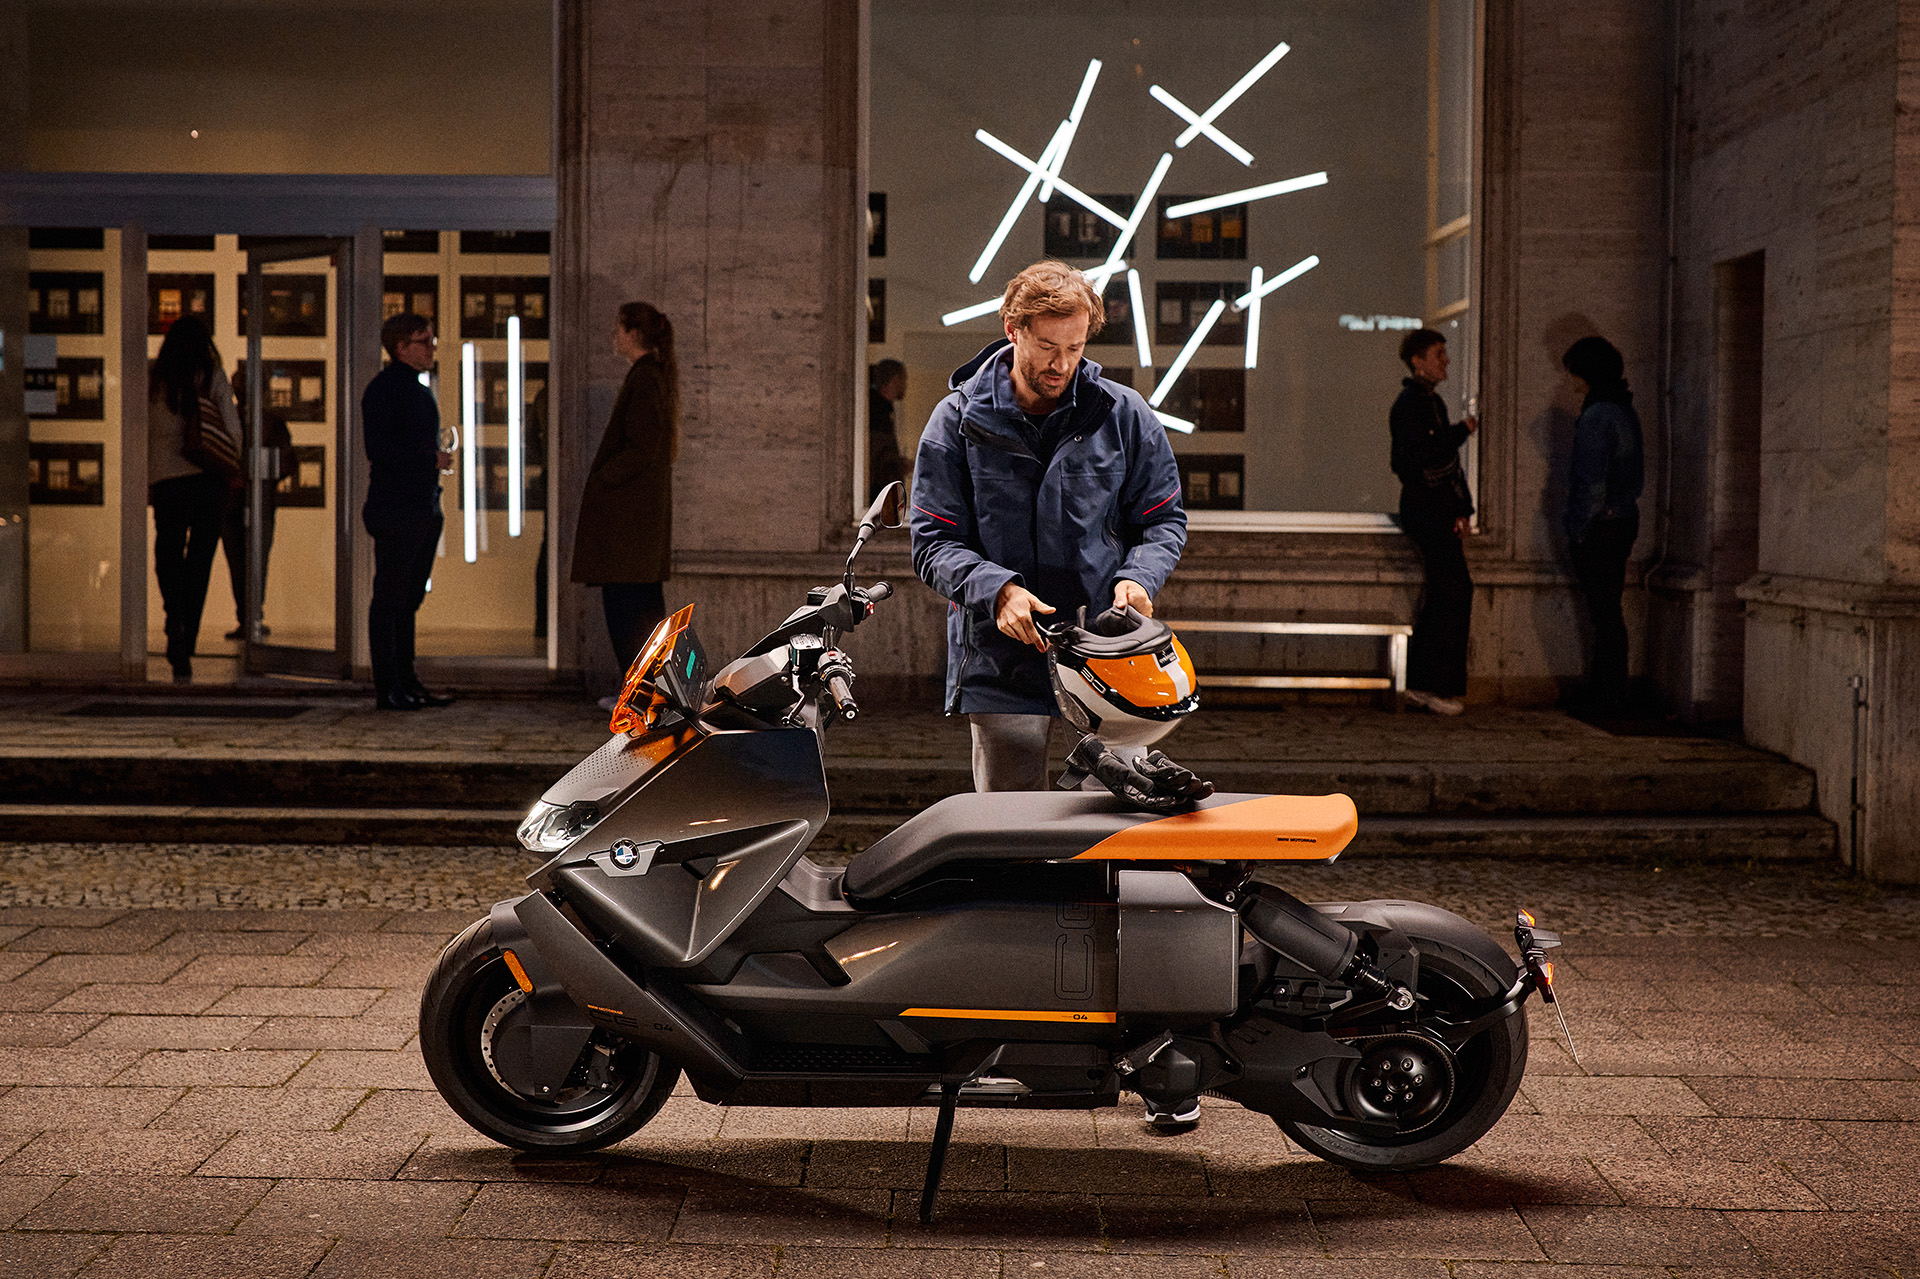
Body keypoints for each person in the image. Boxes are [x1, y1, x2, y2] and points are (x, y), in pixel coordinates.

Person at [910, 260, 1186, 792]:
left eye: (1075, 348)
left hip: (1106, 647)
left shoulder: (1123, 415)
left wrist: (1139, 578)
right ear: (1012, 331)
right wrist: (997, 590)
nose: (1062, 364)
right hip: (1000, 657)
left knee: (1110, 823)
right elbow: (932, 542)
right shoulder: (956, 422)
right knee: (1011, 830)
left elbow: (1163, 520)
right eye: (1047, 347)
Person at [571, 301, 678, 703]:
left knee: (628, 608)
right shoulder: (651, 376)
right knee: (640, 606)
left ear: (634, 333)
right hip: (635, 522)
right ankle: (646, 691)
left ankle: (638, 694)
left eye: (618, 328)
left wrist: (603, 478)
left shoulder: (646, 378)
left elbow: (642, 447)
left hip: (628, 522)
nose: (613, 336)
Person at [363, 313, 455, 711]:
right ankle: (390, 686)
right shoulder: (387, 390)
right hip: (399, 508)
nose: (432, 348)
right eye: (424, 341)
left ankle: (406, 679)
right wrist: (429, 457)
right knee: (391, 597)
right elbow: (380, 451)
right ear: (401, 347)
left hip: (418, 505)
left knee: (407, 598)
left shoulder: (411, 389)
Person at [1389, 328, 1477, 716]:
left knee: (1448, 590)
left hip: (1436, 509)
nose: (1445, 361)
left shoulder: (1428, 402)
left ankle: (1427, 683)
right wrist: (1461, 431)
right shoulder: (1412, 404)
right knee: (1451, 589)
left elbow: (1443, 464)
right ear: (1417, 361)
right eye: (1438, 354)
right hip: (1429, 510)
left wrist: (1462, 508)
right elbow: (1414, 460)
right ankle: (1432, 684)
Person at [148, 315, 241, 683]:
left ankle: (174, 618)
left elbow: (143, 429)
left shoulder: (155, 377)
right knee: (200, 559)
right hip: (208, 479)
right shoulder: (211, 374)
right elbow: (231, 427)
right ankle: (188, 638)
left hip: (167, 481)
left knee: (168, 550)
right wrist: (233, 462)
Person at [1561, 336, 1644, 712]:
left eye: (1574, 372)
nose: (1571, 380)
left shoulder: (1596, 416)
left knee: (1604, 613)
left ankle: (1606, 695)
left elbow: (1590, 483)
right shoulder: (1623, 410)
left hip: (1601, 525)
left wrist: (1577, 528)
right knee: (1610, 611)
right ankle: (1609, 691)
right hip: (1623, 519)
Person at [220, 361, 295, 641]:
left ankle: (251, 617)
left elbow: (286, 462)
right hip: (236, 503)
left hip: (257, 501)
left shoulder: (271, 423)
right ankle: (247, 617)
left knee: (253, 560)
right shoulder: (235, 420)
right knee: (241, 561)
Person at [868, 358, 908, 500]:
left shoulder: (879, 409)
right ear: (895, 379)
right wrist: (898, 465)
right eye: (903, 379)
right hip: (880, 493)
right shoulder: (878, 411)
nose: (905, 384)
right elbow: (881, 452)